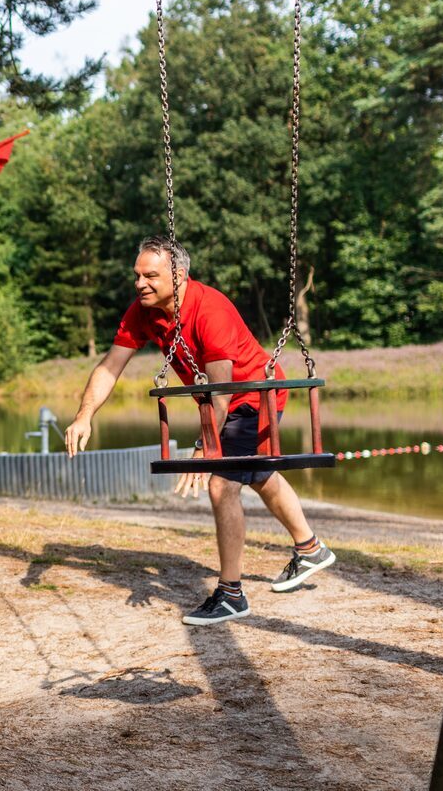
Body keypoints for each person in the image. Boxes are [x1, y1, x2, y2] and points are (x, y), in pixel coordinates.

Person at [63, 236, 334, 626]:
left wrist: (202, 449)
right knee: (256, 475)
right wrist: (84, 415)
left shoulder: (211, 310)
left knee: (221, 484)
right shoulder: (144, 311)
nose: (140, 283)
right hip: (227, 399)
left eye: (150, 276)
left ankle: (230, 595)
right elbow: (110, 366)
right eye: (137, 275)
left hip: (253, 396)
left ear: (180, 274)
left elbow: (222, 394)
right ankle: (310, 548)